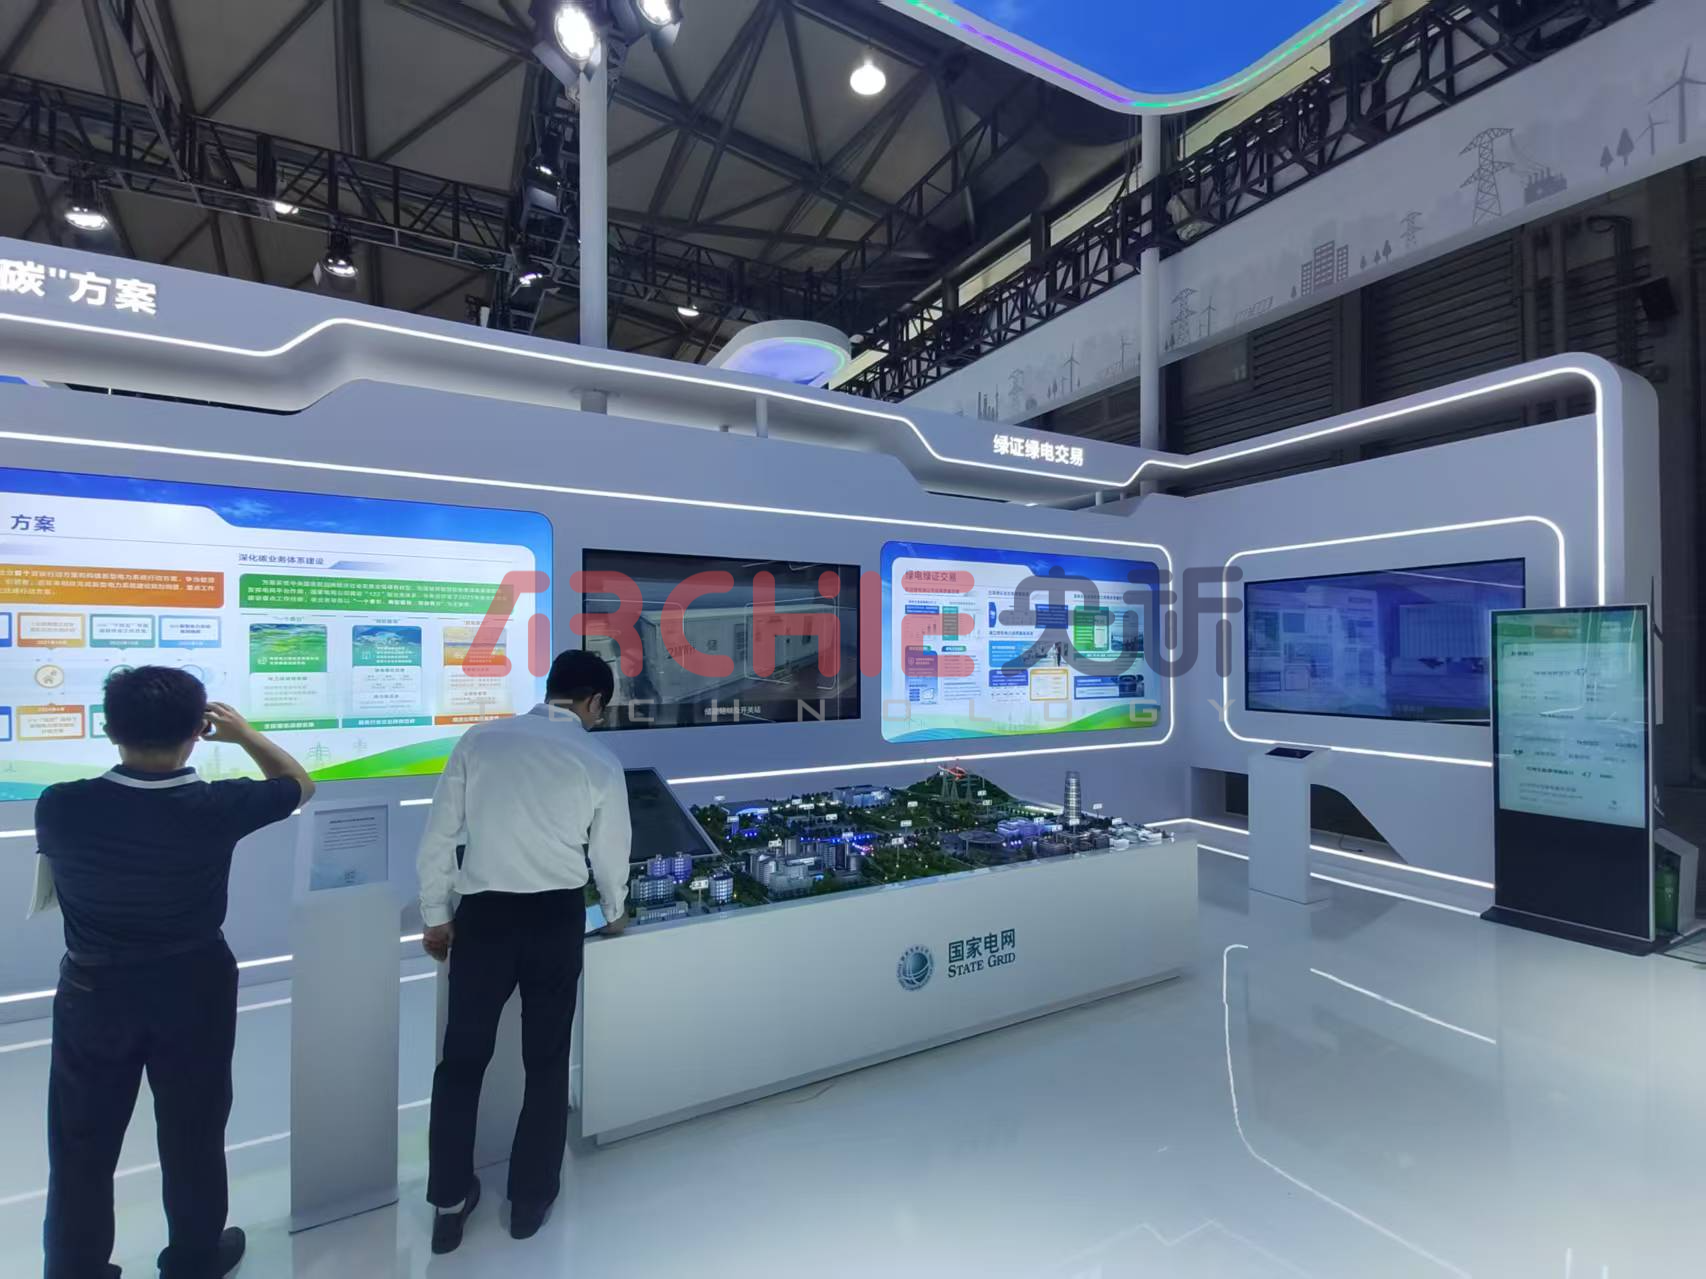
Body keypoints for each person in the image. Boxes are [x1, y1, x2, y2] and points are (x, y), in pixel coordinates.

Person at [34, 667, 315, 1279]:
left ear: (109, 729)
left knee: (81, 1141)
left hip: (92, 990)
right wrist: (244, 734)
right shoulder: (217, 805)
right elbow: (299, 784)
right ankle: (194, 1258)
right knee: (194, 1129)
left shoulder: (60, 805)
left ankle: (75, 1268)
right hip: (194, 985)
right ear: (197, 730)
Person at [418, 649, 632, 1253]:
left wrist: (437, 916)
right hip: (554, 918)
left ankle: (448, 1201)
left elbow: (440, 835)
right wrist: (615, 911)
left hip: (483, 918)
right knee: (546, 1060)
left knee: (461, 1061)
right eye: (601, 709)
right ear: (594, 701)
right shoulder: (598, 758)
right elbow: (609, 852)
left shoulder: (481, 741)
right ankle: (529, 1201)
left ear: (551, 687)